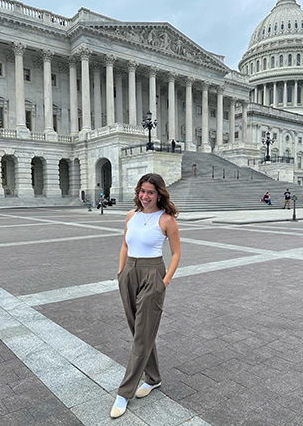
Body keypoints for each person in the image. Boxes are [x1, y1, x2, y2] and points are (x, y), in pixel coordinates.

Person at [110, 173, 181, 419]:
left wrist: (164, 282)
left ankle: (124, 392)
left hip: (153, 275)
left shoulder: (166, 220)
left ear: (159, 193)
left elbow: (175, 254)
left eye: (150, 192)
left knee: (142, 336)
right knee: (139, 331)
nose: (145, 196)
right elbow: (124, 246)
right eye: (142, 191)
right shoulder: (131, 216)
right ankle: (154, 377)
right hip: (129, 273)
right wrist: (120, 272)